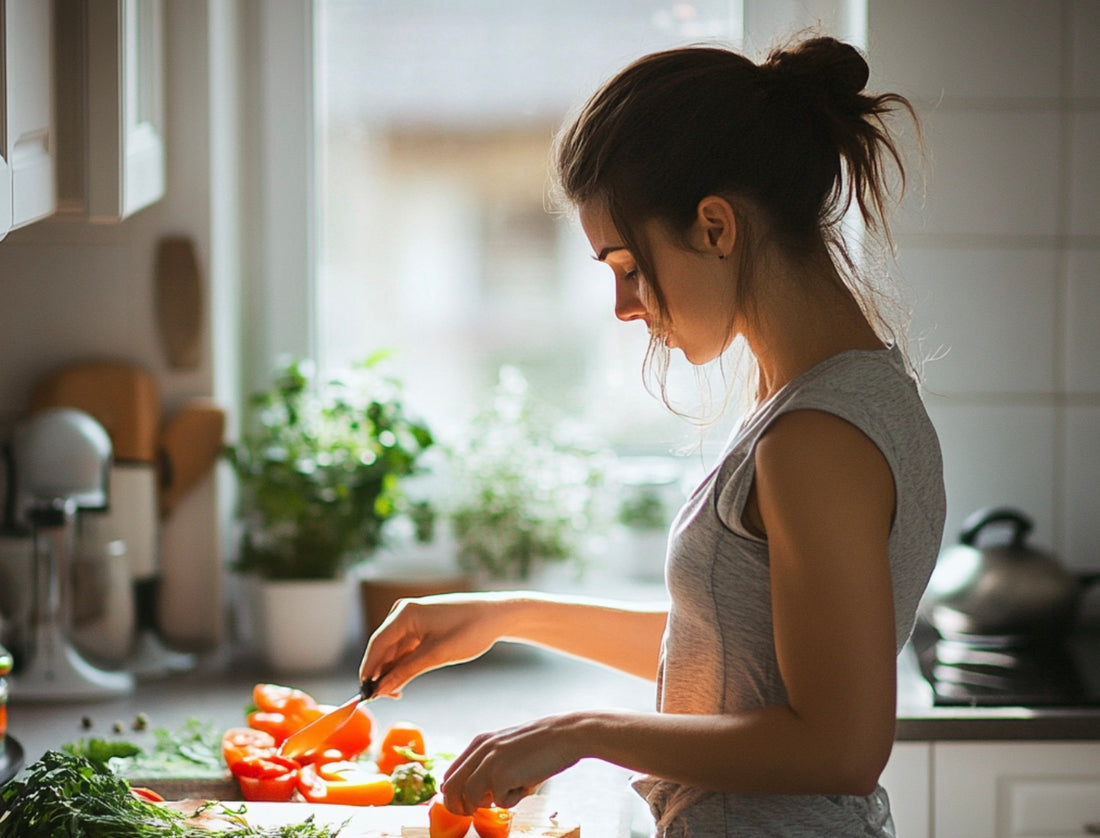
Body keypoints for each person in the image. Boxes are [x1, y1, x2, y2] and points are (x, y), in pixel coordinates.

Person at [359, 34, 946, 837]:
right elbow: (738, 658)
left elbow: (841, 747)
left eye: (628, 265)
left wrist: (582, 733)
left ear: (714, 226)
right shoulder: (830, 396)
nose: (623, 306)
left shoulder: (816, 436)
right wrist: (509, 614)